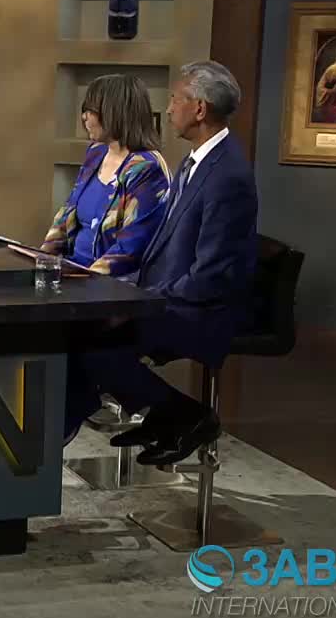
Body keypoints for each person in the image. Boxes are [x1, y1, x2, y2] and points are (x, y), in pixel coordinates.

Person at [65, 60, 258, 466]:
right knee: (83, 334)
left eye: (175, 98)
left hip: (203, 311)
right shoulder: (198, 163)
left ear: (200, 108)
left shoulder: (228, 176)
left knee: (94, 339)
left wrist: (145, 300)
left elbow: (210, 275)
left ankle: (184, 414)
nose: (168, 109)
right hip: (173, 296)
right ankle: (149, 417)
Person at [41, 74, 169, 277]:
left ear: (113, 113)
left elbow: (131, 248)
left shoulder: (146, 168)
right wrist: (41, 262)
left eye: (90, 111)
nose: (84, 118)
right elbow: (66, 215)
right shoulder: (96, 152)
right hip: (71, 273)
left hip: (107, 284)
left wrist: (80, 279)